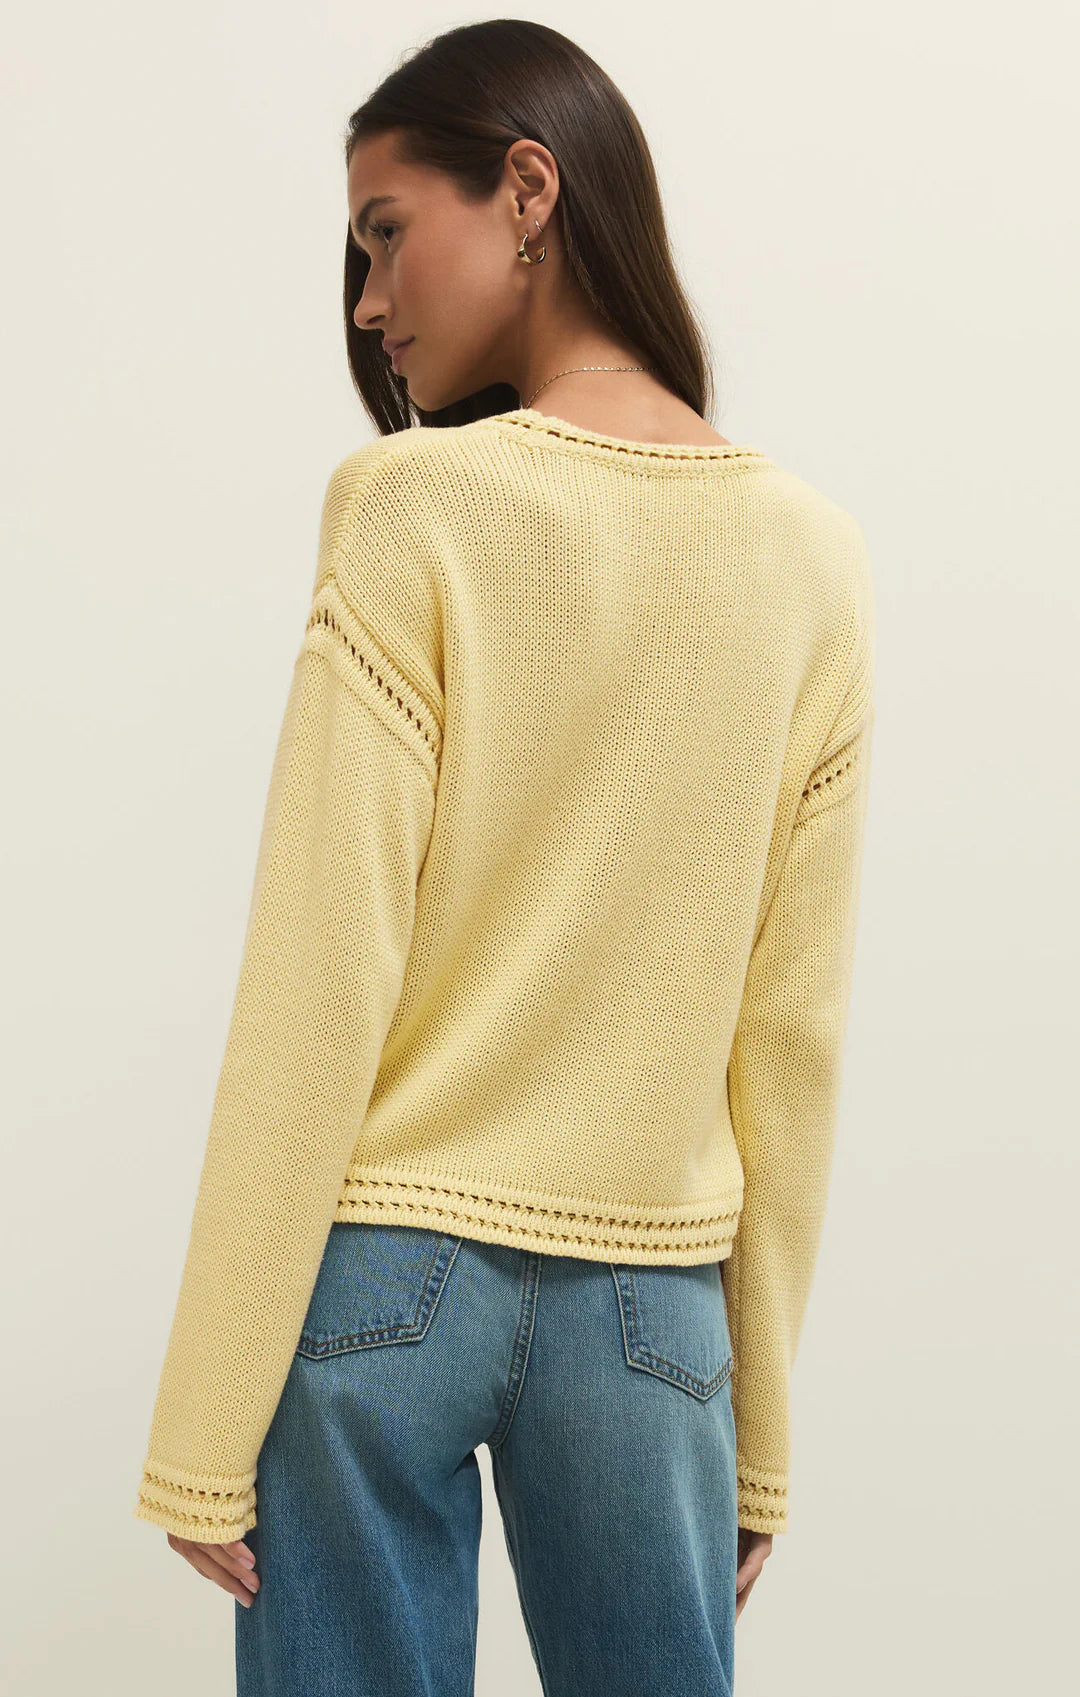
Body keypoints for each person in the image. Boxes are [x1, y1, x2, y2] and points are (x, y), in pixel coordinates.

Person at [133, 20, 875, 1696]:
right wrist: (759, 1427)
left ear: (529, 189)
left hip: (381, 1282)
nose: (367, 299)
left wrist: (204, 1412)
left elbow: (320, 967)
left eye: (386, 231)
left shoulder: (412, 508)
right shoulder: (817, 564)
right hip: (654, 1307)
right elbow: (792, 1039)